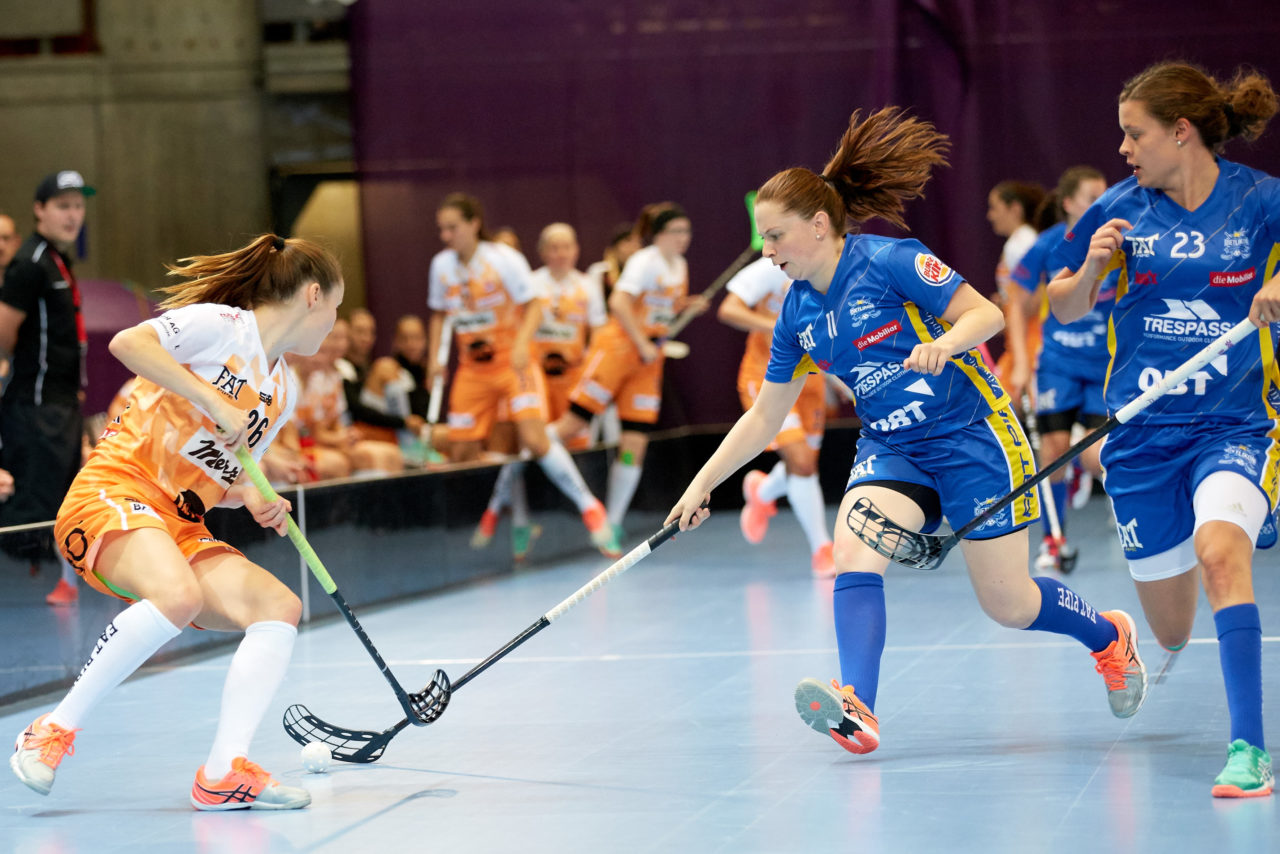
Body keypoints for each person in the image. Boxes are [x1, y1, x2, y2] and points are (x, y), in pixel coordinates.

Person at [667, 107, 1147, 759]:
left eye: (775, 236)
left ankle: (1109, 637)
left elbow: (987, 314)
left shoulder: (891, 260)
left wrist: (946, 344)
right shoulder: (796, 316)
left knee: (1009, 604)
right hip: (893, 448)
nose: (767, 251)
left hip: (974, 437)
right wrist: (701, 485)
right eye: (764, 239)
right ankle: (857, 705)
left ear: (818, 225)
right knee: (853, 552)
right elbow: (764, 418)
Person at [9, 233, 341, 809]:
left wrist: (251, 497)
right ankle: (50, 730)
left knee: (278, 607)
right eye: (335, 307)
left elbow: (224, 473)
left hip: (180, 521)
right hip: (114, 490)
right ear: (313, 295)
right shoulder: (223, 327)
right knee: (178, 595)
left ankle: (222, 772)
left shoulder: (282, 390)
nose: (333, 323)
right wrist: (212, 399)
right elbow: (129, 343)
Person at [1048, 61, 1280, 798]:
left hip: (1234, 422)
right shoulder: (1119, 209)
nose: (1123, 149)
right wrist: (1091, 269)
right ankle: (1124, 635)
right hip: (1143, 437)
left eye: (1133, 133)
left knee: (1221, 556)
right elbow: (1061, 305)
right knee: (1173, 630)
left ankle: (1249, 751)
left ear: (1181, 132)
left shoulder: (1258, 200)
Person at [428, 193, 619, 556]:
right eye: (442, 229)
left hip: (518, 365)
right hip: (474, 370)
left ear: (473, 223)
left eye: (452, 227)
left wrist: (520, 344)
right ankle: (505, 520)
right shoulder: (441, 265)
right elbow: (439, 313)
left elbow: (536, 308)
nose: (446, 235)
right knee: (465, 450)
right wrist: (435, 359)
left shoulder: (505, 260)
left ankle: (590, 509)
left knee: (535, 439)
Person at [553, 203, 708, 541]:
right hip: (618, 352)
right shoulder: (644, 261)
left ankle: (610, 524)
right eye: (677, 231)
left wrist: (687, 306)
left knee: (633, 443)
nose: (684, 238)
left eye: (687, 231)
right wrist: (640, 342)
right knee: (572, 425)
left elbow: (660, 309)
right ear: (659, 234)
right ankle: (532, 465)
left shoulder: (679, 266)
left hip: (647, 363)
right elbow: (619, 303)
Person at [472, 222, 608, 562]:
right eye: (554, 247)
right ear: (542, 251)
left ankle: (587, 528)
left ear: (576, 250)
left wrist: (592, 380)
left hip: (573, 382)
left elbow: (599, 337)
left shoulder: (587, 286)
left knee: (565, 448)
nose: (561, 254)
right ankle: (522, 524)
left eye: (567, 246)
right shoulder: (530, 283)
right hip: (533, 379)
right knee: (524, 449)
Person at [1007, 166, 1111, 571]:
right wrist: (1020, 362)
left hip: (1105, 365)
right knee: (1052, 452)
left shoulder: (1119, 243)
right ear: (1068, 204)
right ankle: (1053, 540)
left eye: (1105, 197)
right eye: (1091, 199)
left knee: (1095, 457)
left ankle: (1082, 470)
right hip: (1058, 363)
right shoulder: (1049, 245)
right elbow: (1016, 301)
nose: (1101, 206)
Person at [0, 171, 96, 605]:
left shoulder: (57, 259)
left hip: (61, 402)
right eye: (63, 206)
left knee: (67, 498)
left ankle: (69, 581)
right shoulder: (29, 263)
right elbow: (5, 333)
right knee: (36, 507)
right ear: (39, 210)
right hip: (38, 407)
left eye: (78, 205)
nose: (73, 215)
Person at [718, 256, 834, 576]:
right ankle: (822, 548)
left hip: (811, 378)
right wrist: (778, 327)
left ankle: (763, 491)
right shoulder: (772, 268)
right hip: (768, 376)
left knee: (805, 465)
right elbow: (728, 309)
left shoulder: (831, 269)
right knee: (803, 463)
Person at [291, 318, 403, 478]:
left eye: (324, 352)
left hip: (318, 439)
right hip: (305, 443)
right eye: (318, 351)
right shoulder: (293, 379)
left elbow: (332, 421)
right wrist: (338, 439)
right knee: (356, 460)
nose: (319, 358)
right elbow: (310, 432)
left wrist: (345, 434)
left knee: (392, 453)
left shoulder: (329, 377)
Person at [988, 180, 1048, 403]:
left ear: (1014, 209)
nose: (990, 215)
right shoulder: (1022, 241)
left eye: (994, 208)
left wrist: (1010, 307)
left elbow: (1036, 297)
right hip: (1021, 336)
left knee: (1007, 403)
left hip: (1031, 337)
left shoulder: (1021, 243)